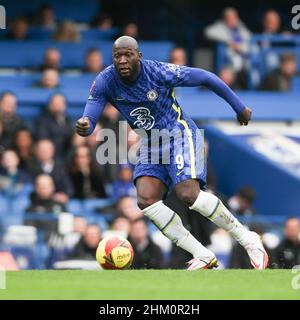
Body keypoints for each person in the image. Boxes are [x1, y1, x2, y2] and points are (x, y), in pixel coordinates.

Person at [76, 36, 268, 270]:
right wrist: (86, 123)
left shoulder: (158, 72)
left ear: (139, 56)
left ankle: (248, 240)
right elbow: (90, 114)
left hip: (179, 133)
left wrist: (239, 107)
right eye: (118, 56)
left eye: (128, 54)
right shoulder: (105, 80)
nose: (123, 60)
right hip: (150, 143)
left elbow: (206, 77)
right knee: (146, 199)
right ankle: (202, 255)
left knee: (189, 194)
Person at [204, 7, 251, 72]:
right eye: (228, 17)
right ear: (224, 18)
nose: (231, 19)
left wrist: (239, 47)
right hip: (227, 62)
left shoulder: (241, 28)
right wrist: (229, 41)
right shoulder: (220, 26)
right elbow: (208, 32)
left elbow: (250, 39)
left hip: (244, 61)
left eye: (234, 17)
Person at [34, 93, 73, 158]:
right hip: (51, 155)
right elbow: (43, 139)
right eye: (55, 104)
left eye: (60, 104)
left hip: (67, 154)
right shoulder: (42, 121)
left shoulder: (68, 120)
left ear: (65, 105)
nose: (58, 107)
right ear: (50, 105)